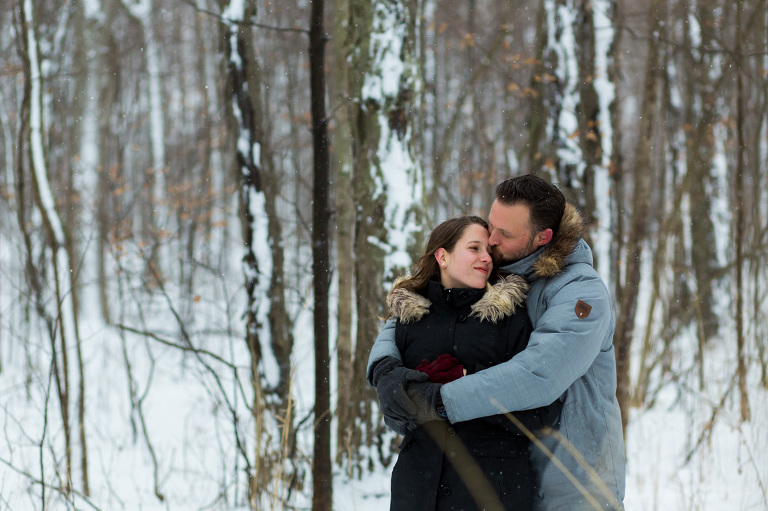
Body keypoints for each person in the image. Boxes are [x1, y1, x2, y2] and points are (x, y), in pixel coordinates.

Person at [368, 175, 625, 511]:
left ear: (542, 238)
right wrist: (385, 367)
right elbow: (421, 302)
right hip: (516, 477)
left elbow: (537, 375)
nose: (490, 239)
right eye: (491, 225)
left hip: (574, 482)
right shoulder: (505, 270)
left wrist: (440, 399)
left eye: (503, 234)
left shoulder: (580, 292)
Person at [371, 215, 562, 510]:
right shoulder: (411, 320)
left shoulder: (511, 319)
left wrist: (464, 386)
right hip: (417, 489)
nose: (486, 258)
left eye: (489, 251)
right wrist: (399, 393)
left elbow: (542, 412)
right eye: (474, 248)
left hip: (493, 491)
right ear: (442, 256)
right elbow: (396, 416)